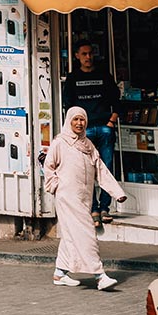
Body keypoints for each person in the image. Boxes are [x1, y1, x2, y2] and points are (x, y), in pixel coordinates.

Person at [44, 106, 126, 291]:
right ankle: (99, 275)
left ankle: (60, 273)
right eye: (75, 120)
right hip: (67, 197)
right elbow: (48, 166)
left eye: (82, 120)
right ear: (69, 121)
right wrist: (56, 185)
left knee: (70, 236)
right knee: (87, 233)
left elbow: (101, 170)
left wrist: (116, 192)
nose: (79, 123)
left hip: (84, 198)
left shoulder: (88, 145)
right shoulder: (60, 142)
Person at [62, 39, 120, 226]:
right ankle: (93, 208)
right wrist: (76, 130)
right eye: (84, 54)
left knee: (107, 167)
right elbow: (68, 106)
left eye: (90, 53)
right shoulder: (73, 78)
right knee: (86, 170)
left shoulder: (104, 75)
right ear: (77, 56)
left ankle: (104, 208)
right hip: (84, 131)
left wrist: (111, 122)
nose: (88, 57)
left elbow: (116, 99)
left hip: (104, 127)